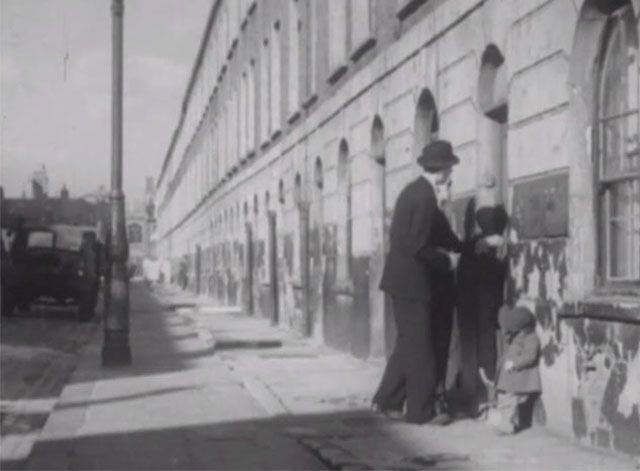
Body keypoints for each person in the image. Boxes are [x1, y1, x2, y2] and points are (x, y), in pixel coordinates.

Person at [372, 140, 465, 425]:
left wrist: (464, 247)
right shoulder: (425, 199)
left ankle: (387, 400)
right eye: (449, 169)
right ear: (441, 171)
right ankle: (420, 411)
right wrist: (448, 261)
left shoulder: (417, 192)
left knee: (408, 344)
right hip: (412, 285)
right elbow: (418, 246)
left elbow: (439, 232)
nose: (450, 175)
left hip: (401, 283)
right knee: (421, 347)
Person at [456, 170, 509, 416]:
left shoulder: (472, 207)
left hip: (474, 283)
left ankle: (473, 397)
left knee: (472, 341)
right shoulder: (496, 211)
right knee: (485, 340)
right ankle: (485, 395)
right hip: (485, 285)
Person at [489, 305, 541, 434]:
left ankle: (506, 425)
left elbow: (530, 356)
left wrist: (515, 364)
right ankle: (505, 423)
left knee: (509, 401)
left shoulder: (531, 338)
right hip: (509, 378)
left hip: (519, 378)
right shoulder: (516, 336)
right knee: (504, 401)